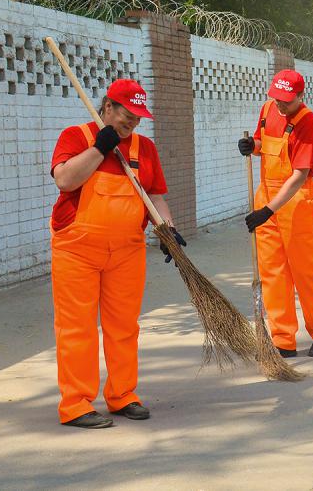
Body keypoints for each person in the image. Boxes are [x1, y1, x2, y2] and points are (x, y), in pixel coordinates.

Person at [50, 79, 184, 429]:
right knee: (76, 327)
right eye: (127, 116)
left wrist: (167, 228)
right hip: (76, 248)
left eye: (138, 118)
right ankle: (76, 404)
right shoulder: (76, 136)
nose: (132, 124)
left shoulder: (144, 148)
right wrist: (98, 149)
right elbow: (64, 180)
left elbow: (154, 196)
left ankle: (123, 395)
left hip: (126, 249)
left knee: (124, 326)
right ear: (107, 107)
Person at [238, 69, 313, 359]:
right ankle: (283, 339)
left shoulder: (308, 123)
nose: (281, 105)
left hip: (296, 202)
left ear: (299, 96)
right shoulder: (269, 109)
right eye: (277, 99)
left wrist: (268, 210)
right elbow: (262, 144)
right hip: (265, 196)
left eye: (287, 101)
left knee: (306, 272)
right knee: (273, 273)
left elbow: (299, 175)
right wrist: (251, 146)